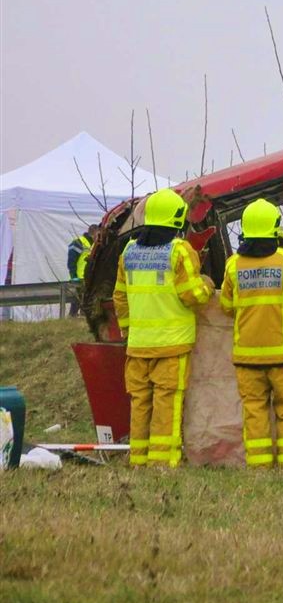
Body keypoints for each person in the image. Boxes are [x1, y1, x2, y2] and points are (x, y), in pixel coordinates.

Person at [112, 189, 213, 468]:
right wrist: (207, 284)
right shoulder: (180, 251)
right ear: (178, 218)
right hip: (172, 345)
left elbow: (119, 297)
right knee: (166, 404)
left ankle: (139, 460)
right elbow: (192, 295)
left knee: (140, 403)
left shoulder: (129, 252)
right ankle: (162, 463)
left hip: (138, 346)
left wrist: (128, 331)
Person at [219, 199, 283, 471]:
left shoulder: (232, 265)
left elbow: (227, 308)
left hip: (246, 359)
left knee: (254, 412)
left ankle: (259, 468)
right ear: (275, 228)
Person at [67, 224, 99, 316]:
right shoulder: (79, 243)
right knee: (78, 299)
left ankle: (81, 317)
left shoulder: (94, 244)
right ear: (93, 233)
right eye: (97, 235)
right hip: (80, 277)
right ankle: (72, 316)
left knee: (86, 300)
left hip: (89, 277)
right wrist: (73, 276)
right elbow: (71, 261)